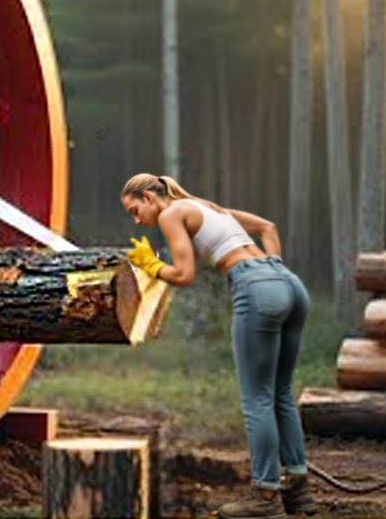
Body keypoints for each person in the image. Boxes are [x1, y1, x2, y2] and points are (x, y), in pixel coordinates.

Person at [120, 173, 318, 519]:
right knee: (280, 394)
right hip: (288, 284)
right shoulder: (208, 207)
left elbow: (183, 275)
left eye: (136, 210)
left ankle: (266, 496)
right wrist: (272, 272)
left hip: (256, 287)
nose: (138, 220)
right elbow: (268, 228)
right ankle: (299, 494)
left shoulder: (170, 214)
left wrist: (150, 264)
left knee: (256, 399)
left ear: (150, 198)